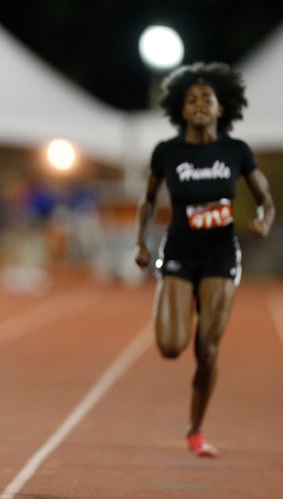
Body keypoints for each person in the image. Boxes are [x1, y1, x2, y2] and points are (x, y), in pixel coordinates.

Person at [134, 62, 275, 458]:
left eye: (207, 98)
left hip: (220, 255)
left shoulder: (236, 151)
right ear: (180, 110)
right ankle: (178, 299)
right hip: (179, 251)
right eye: (191, 99)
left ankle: (196, 429)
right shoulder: (167, 152)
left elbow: (266, 199)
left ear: (221, 108)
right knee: (170, 346)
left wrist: (264, 220)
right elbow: (147, 200)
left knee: (208, 349)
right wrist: (140, 243)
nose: (199, 104)